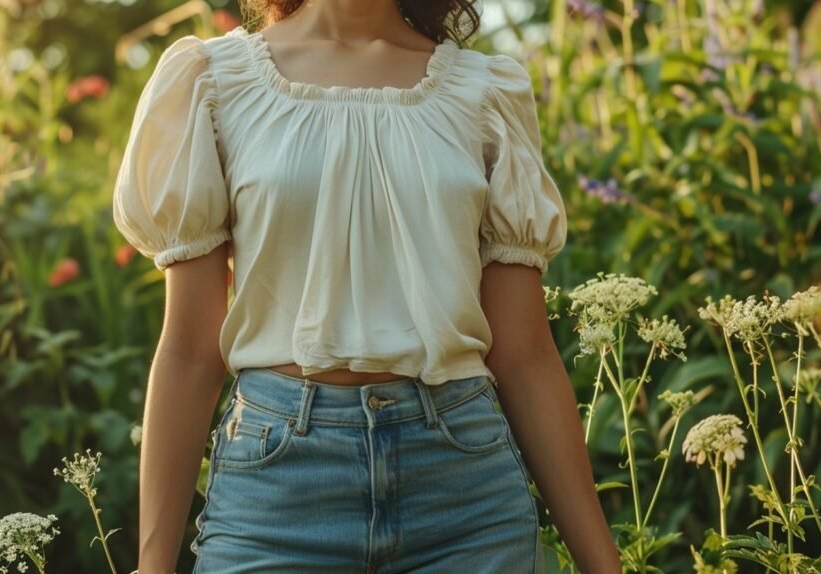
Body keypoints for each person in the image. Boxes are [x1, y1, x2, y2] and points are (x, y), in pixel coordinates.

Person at [113, 0, 620, 572]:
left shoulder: (484, 92)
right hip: (278, 498)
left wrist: (603, 564)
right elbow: (188, 350)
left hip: (465, 495)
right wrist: (152, 566)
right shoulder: (213, 82)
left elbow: (525, 353)